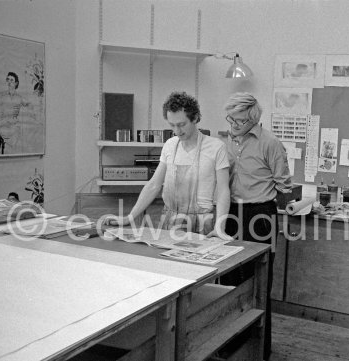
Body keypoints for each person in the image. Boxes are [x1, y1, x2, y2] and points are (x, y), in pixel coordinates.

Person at [104, 92, 232, 240]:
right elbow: (154, 185)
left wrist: (220, 228)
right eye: (172, 125)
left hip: (202, 223)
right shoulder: (170, 145)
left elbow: (223, 190)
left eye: (182, 125)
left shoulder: (216, 147)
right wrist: (130, 217)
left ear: (195, 118)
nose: (177, 131)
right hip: (170, 221)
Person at [222, 92, 292, 360]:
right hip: (230, 213)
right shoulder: (226, 141)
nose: (233, 124)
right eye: (230, 118)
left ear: (252, 119)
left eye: (238, 120)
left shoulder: (270, 143)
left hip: (260, 215)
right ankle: (228, 346)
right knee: (229, 281)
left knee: (258, 283)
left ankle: (259, 349)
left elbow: (284, 185)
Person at [0, 72, 30, 154]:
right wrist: (6, 121)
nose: (9, 82)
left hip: (15, 126)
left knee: (19, 134)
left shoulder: (19, 97)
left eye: (12, 80)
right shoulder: (1, 96)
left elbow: (29, 105)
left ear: (16, 83)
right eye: (8, 79)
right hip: (4, 126)